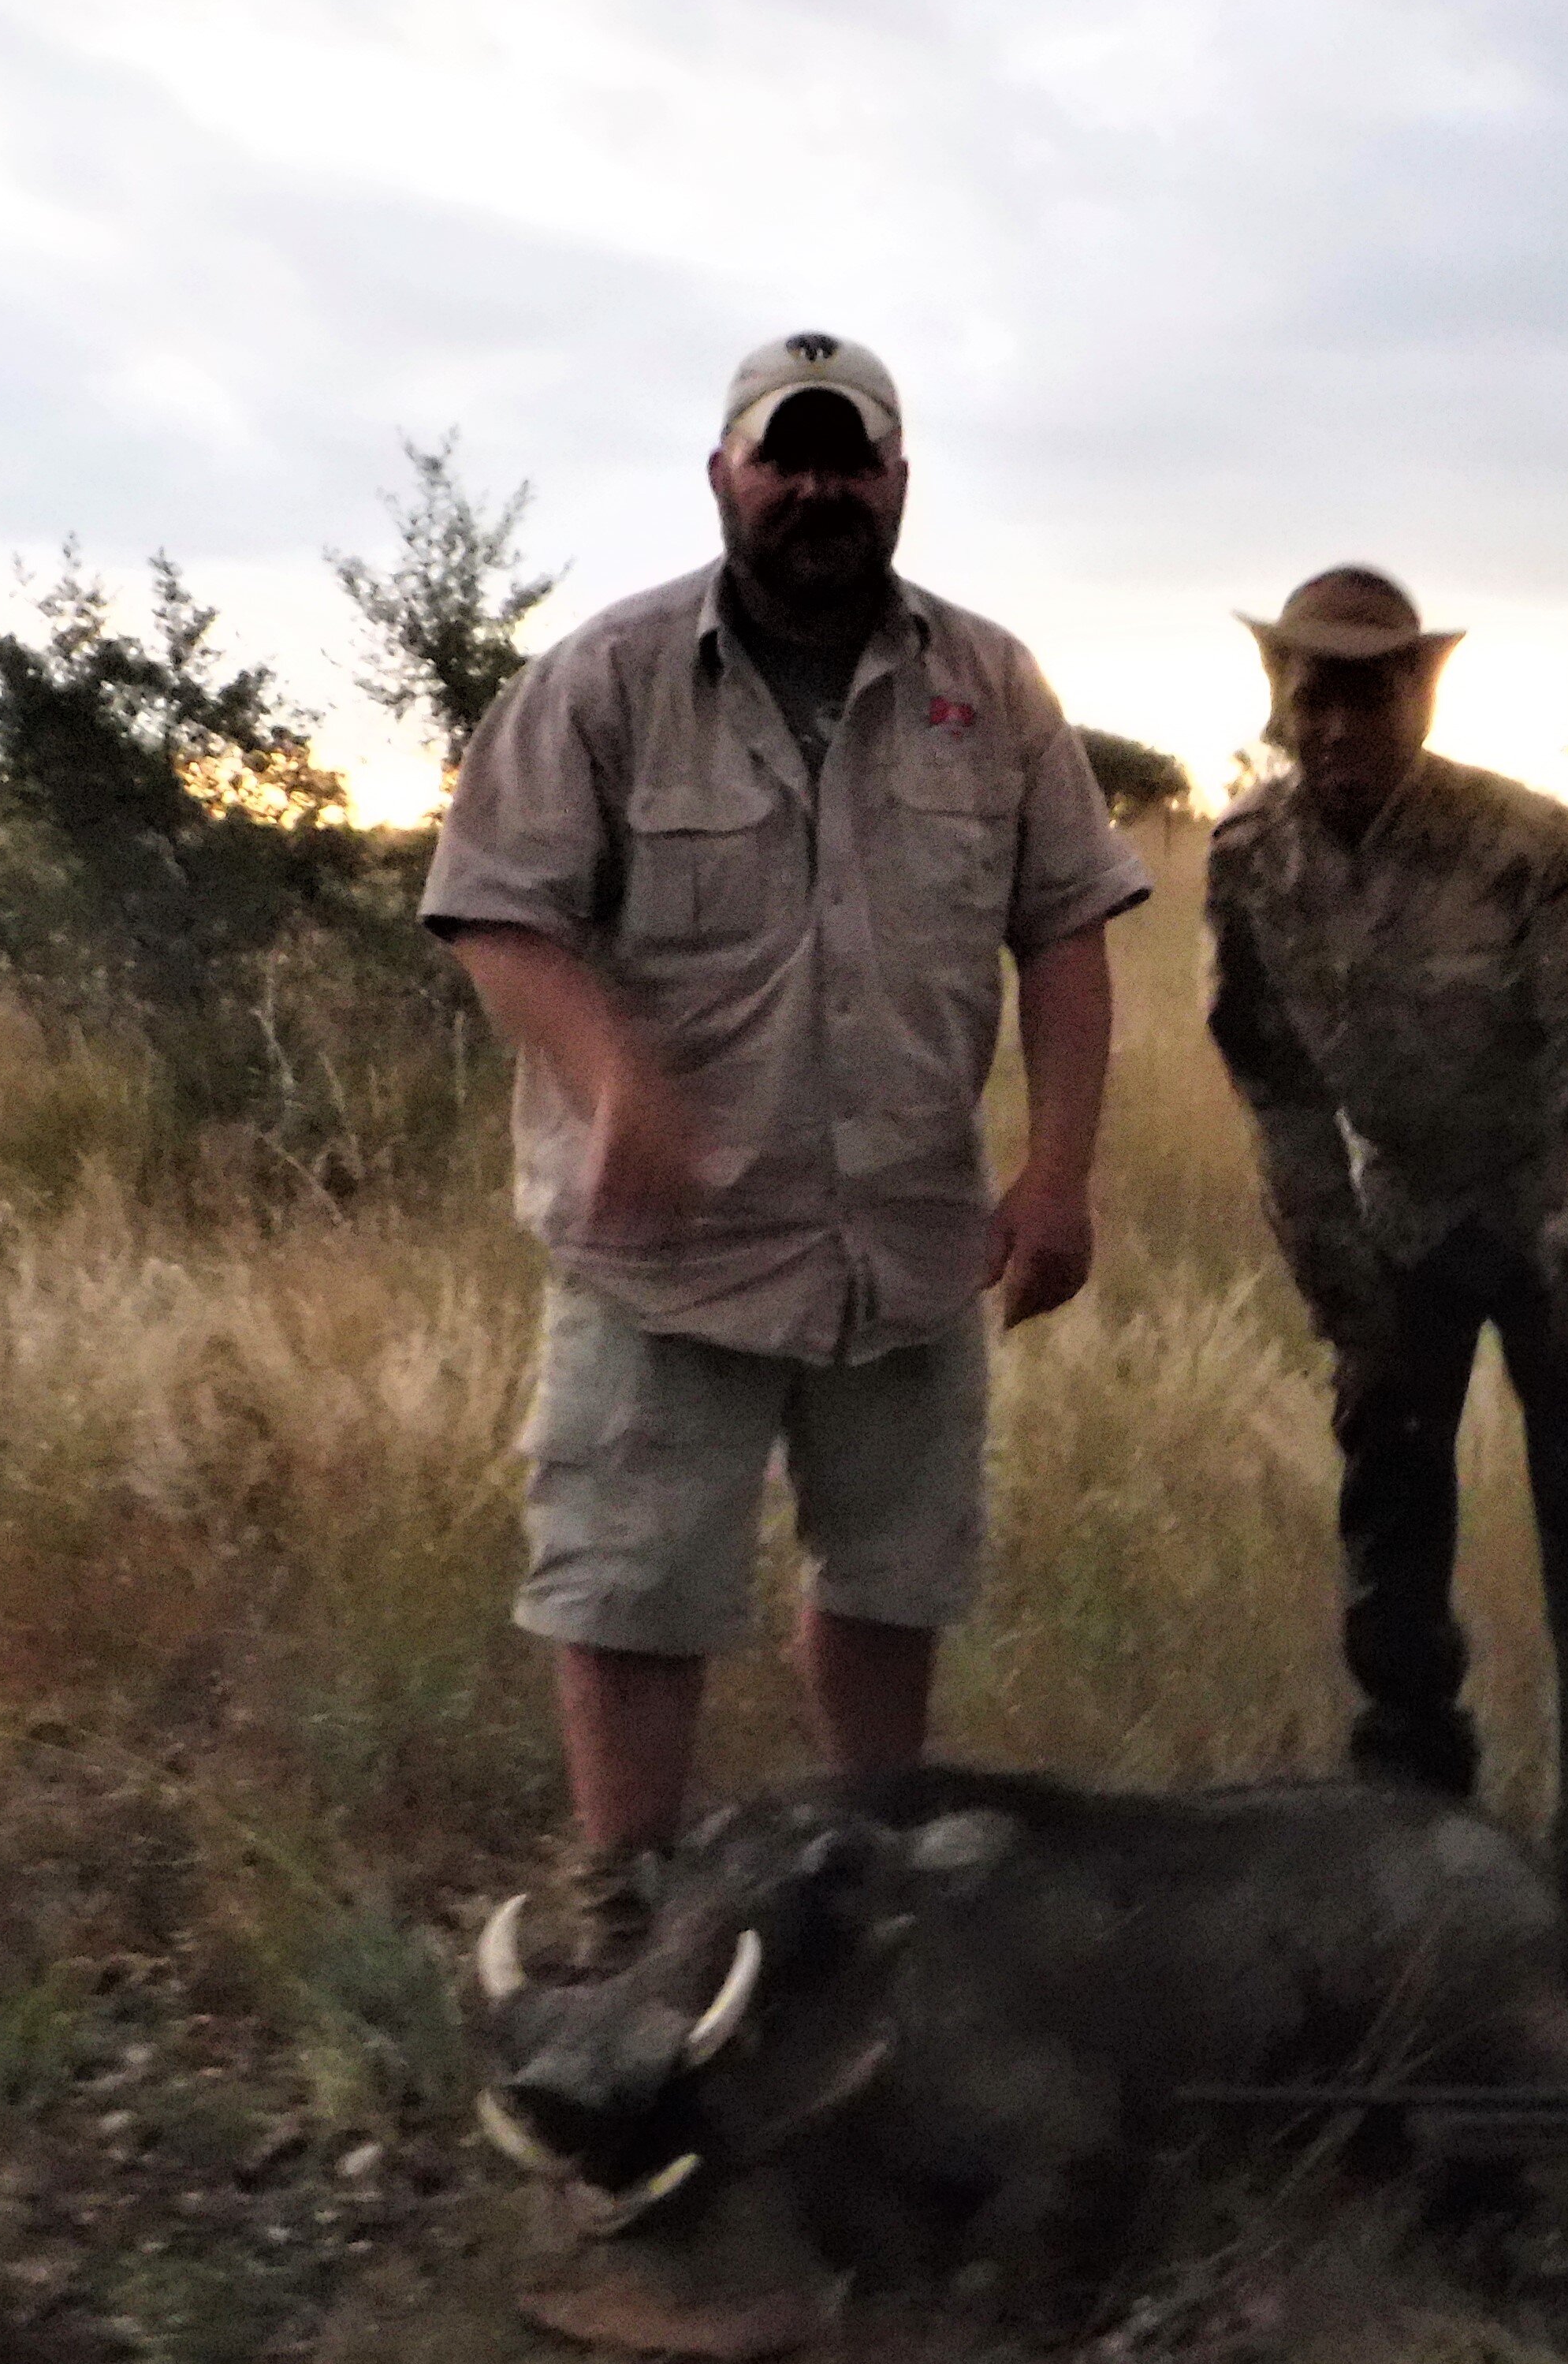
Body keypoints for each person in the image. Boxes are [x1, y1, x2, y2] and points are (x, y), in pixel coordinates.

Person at [423, 331, 1149, 1971]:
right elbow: (495, 915)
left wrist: (1057, 1176)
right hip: (664, 1247)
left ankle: (867, 1880)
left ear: (898, 483)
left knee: (892, 1575)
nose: (818, 488)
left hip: (903, 1237)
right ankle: (625, 1902)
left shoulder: (994, 684)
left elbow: (1070, 934)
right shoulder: (603, 681)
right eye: (786, 456)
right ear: (723, 476)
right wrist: (622, 1090)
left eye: (850, 460)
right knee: (629, 1583)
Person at [1203, 565, 1568, 2004]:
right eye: (1317, 694)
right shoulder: (1251, 855)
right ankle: (1405, 1842)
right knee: (1390, 1516)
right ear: (1280, 703)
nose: (1341, 721)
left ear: (1422, 694)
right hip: (1405, 1210)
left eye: (1373, 691)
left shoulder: (1525, 846)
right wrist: (1329, 1263)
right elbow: (1271, 1072)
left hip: (1563, 1204)